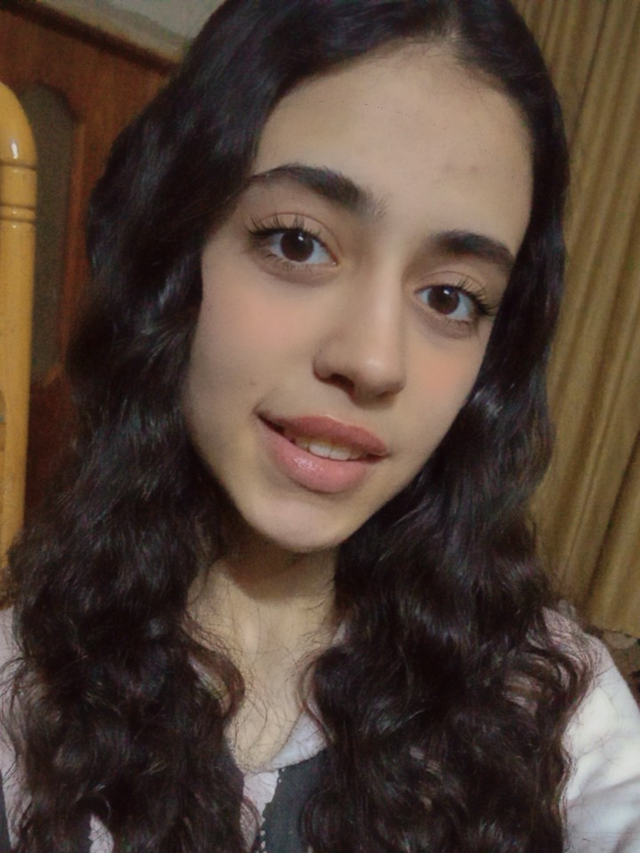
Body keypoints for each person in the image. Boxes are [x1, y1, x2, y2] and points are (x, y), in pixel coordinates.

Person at [1, 0, 639, 851]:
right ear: (174, 253)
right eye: (298, 243)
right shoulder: (19, 696)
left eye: (451, 297)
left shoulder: (559, 713)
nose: (373, 361)